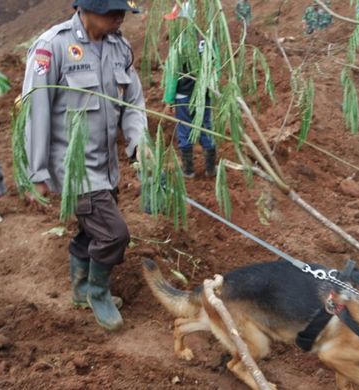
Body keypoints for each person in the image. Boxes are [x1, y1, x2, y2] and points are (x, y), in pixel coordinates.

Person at [22, 0, 148, 331]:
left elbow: (133, 101)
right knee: (114, 234)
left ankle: (79, 289)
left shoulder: (120, 46)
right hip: (73, 168)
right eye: (111, 11)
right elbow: (36, 112)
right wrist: (38, 172)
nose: (119, 17)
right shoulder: (53, 46)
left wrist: (138, 142)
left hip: (106, 166)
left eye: (122, 11)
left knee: (90, 228)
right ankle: (97, 292)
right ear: (87, 8)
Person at [163, 35, 217, 179]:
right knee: (206, 127)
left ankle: (188, 171)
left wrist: (169, 100)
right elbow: (215, 65)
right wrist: (212, 87)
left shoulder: (179, 43)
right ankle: (210, 169)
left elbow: (172, 74)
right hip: (203, 95)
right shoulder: (208, 39)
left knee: (184, 130)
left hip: (183, 97)